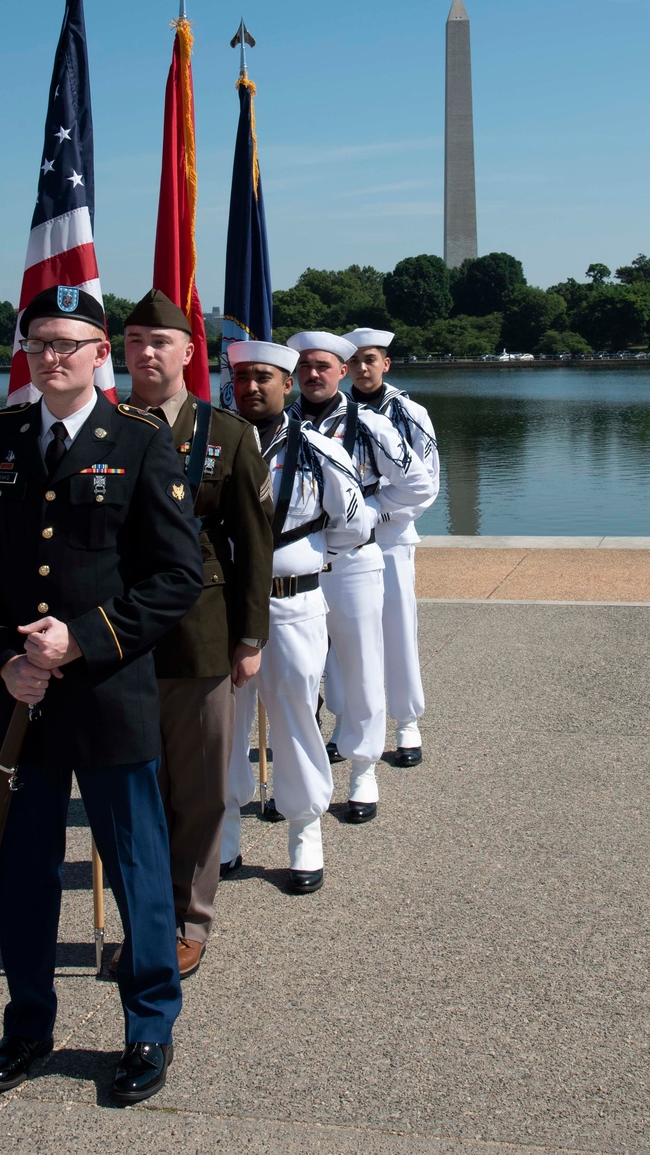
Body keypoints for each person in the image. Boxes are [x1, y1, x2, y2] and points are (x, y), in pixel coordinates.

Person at [0, 284, 203, 1106]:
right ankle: (28, 1025)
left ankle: (149, 1025)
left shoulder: (137, 441)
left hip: (110, 698)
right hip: (21, 700)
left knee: (136, 870)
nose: (53, 356)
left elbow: (176, 578)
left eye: (70, 343)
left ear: (102, 355)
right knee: (23, 871)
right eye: (40, 342)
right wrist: (2, 659)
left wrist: (82, 639)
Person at [120, 288, 272, 979]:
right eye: (133, 343)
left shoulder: (227, 435)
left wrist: (249, 637)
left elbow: (252, 544)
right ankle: (144, 920)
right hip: (117, 635)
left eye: (160, 343)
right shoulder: (104, 425)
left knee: (202, 789)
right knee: (131, 789)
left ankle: (189, 918)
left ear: (189, 353)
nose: (146, 354)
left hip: (201, 635)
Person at [222, 340, 372, 892]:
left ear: (287, 385)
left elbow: (353, 526)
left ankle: (305, 828)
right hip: (225, 607)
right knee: (224, 721)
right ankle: (225, 830)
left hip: (293, 603)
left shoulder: (318, 450)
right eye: (242, 378)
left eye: (264, 377)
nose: (252, 387)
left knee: (294, 717)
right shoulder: (209, 448)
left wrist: (298, 559)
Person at [286, 330, 432, 820]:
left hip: (358, 556)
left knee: (372, 652)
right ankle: (317, 759)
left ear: (341, 371)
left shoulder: (371, 424)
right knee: (308, 666)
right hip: (301, 561)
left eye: (322, 366)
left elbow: (418, 484)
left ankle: (365, 764)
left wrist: (368, 512)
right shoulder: (276, 425)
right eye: (303, 366)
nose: (311, 374)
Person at [343, 328, 440, 766]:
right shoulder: (330, 414)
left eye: (372, 360)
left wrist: (376, 510)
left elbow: (428, 484)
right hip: (342, 543)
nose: (363, 369)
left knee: (398, 631)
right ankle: (347, 722)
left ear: (386, 364)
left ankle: (406, 722)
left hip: (391, 538)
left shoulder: (410, 412)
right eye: (356, 361)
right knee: (340, 638)